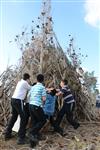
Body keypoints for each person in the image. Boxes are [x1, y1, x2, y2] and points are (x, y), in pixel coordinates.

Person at [4, 73, 31, 144]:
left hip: (13, 100)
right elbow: (31, 88)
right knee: (24, 117)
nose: (29, 81)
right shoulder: (25, 83)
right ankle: (21, 138)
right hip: (18, 101)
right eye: (29, 79)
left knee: (14, 117)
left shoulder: (20, 82)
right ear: (28, 79)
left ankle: (7, 133)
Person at [29, 74, 47, 148]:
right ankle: (32, 132)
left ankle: (32, 142)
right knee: (43, 120)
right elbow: (44, 99)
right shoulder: (42, 87)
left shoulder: (33, 87)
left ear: (37, 80)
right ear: (42, 80)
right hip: (37, 105)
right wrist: (43, 104)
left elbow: (28, 96)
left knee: (35, 121)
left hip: (30, 105)